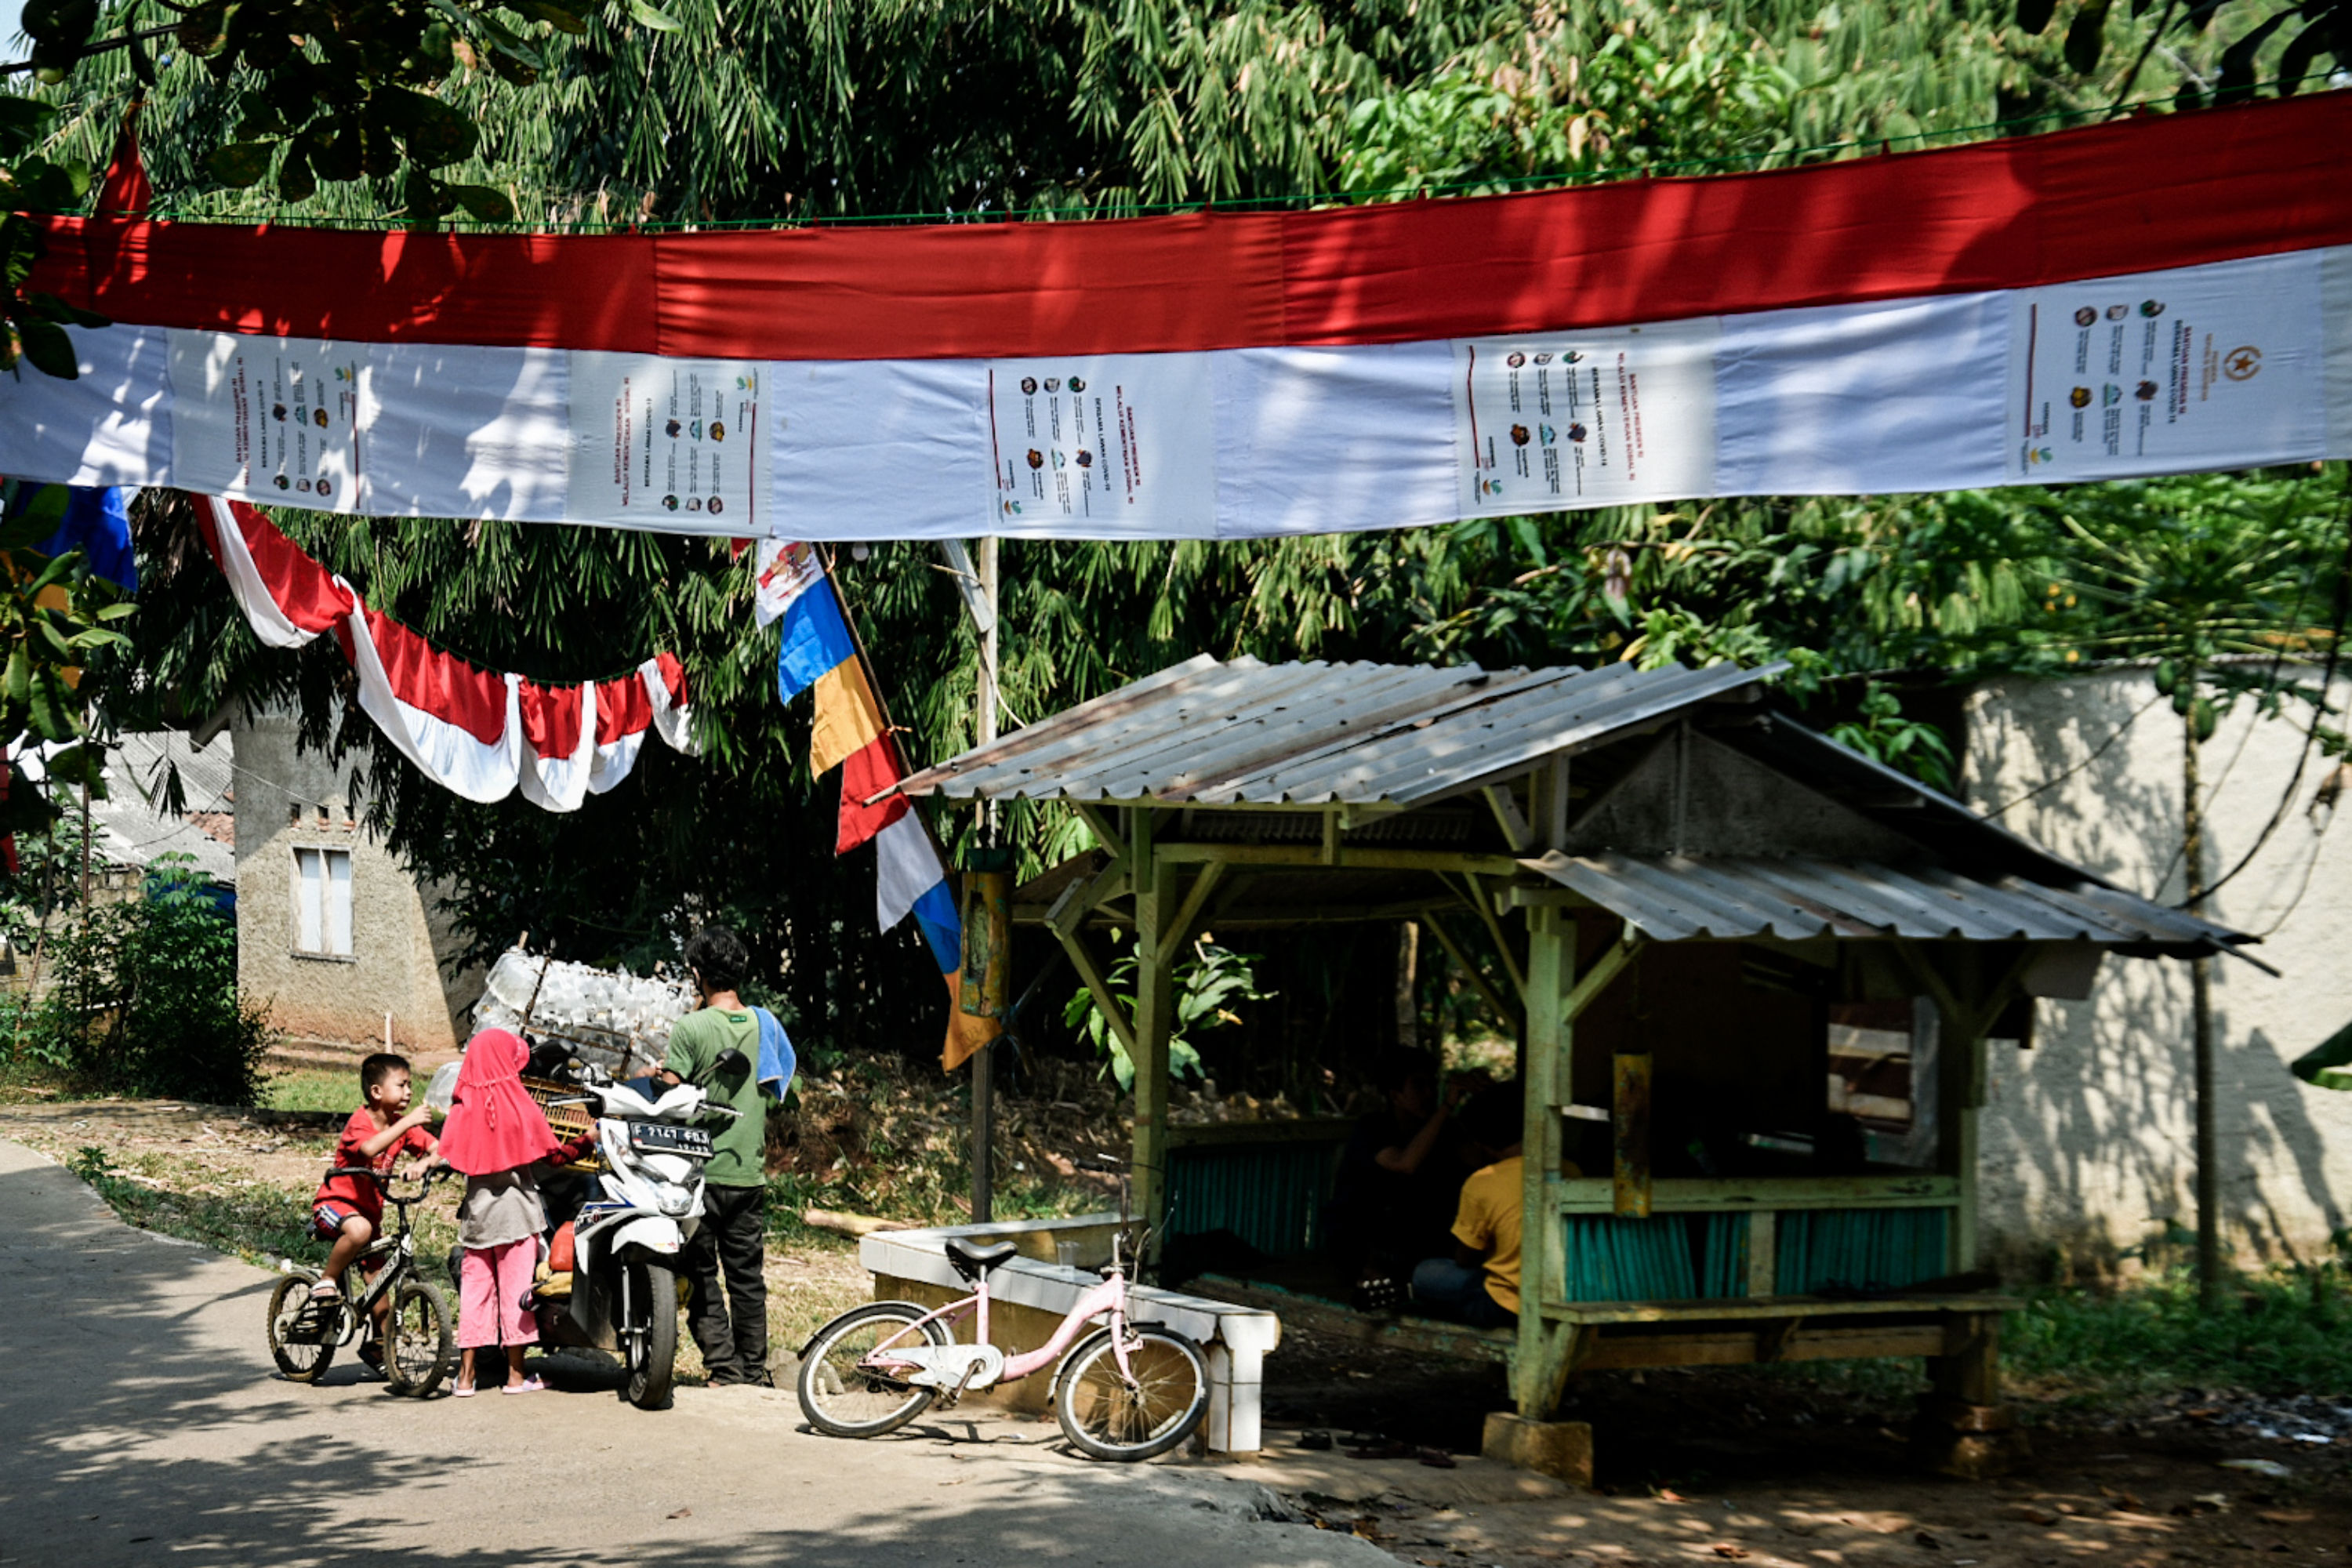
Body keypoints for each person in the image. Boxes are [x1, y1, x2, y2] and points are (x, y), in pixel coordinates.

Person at [437, 1027, 596, 1397]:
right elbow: (555, 1157)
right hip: (516, 1216)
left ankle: (465, 1378)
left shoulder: (461, 1108)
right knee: (517, 1293)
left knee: (475, 1294)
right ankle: (514, 1376)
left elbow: (451, 1156)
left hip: (477, 1218)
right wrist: (589, 1140)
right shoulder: (519, 1103)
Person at [656, 925, 779, 1388]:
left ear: (696, 974)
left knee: (700, 1270)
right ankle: (753, 1368)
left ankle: (724, 1368)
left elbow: (671, 1096)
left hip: (700, 1173)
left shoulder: (691, 1027)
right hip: (749, 1172)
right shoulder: (766, 1024)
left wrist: (660, 1075)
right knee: (748, 1276)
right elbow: (784, 1085)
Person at [310, 1052, 441, 1370]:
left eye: (411, 1085)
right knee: (359, 1231)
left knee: (380, 1289)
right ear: (377, 1092)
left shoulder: (400, 1127)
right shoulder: (361, 1122)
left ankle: (377, 1346)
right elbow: (369, 1149)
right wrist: (410, 1121)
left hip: (370, 1214)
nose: (409, 1092)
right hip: (334, 1207)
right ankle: (327, 1279)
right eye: (402, 1085)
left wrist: (423, 1163)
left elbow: (438, 1147)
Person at [1327, 1048, 1483, 1279]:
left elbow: (1480, 1163)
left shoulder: (1443, 1127)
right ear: (1395, 1095)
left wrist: (1484, 1097)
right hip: (1364, 1242)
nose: (1429, 1094)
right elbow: (1404, 1163)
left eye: (1432, 1086)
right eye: (1419, 1087)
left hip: (1420, 1240)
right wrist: (1446, 1108)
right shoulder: (1373, 1127)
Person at [1410, 1086, 1547, 1330]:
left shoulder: (1483, 1182)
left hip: (1506, 1306)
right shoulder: (1567, 1170)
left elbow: (1465, 1257)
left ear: (1481, 1144)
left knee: (1425, 1273)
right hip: (1555, 1297)